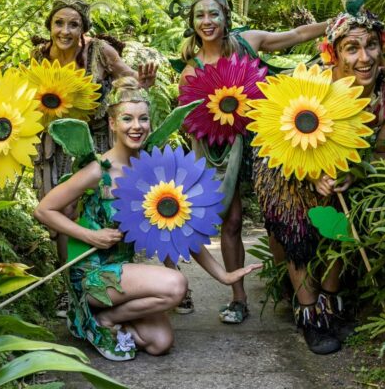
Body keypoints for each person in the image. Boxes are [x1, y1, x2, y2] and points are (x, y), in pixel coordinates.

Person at [34, 77, 260, 361]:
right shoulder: (98, 170)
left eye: (143, 119)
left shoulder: (154, 170)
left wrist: (223, 276)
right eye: (127, 119)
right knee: (175, 285)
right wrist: (91, 236)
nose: (136, 126)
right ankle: (97, 319)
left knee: (159, 342)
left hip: (123, 272)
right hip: (92, 275)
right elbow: (44, 210)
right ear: (113, 123)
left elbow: (179, 230)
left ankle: (109, 317)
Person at [254, 0, 385, 354]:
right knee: (291, 208)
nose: (364, 58)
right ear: (334, 53)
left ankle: (331, 297)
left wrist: (353, 174)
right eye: (352, 48)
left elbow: (384, 154)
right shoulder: (313, 84)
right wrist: (310, 177)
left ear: (382, 48)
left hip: (350, 170)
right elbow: (280, 138)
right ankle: (309, 310)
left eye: (371, 46)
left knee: (344, 208)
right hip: (289, 164)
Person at [178, 0, 327, 323]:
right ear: (192, 23)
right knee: (230, 223)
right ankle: (239, 298)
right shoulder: (191, 70)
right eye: (200, 16)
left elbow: (297, 35)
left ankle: (289, 285)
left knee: (277, 217)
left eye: (213, 14)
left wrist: (336, 22)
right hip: (220, 154)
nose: (207, 21)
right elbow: (190, 122)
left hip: (263, 143)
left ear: (225, 16)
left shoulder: (248, 42)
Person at [31, 0, 157, 266]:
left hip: (97, 140)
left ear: (83, 28)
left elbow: (125, 75)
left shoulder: (99, 51)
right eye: (59, 23)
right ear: (49, 26)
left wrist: (139, 81)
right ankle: (70, 278)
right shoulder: (39, 55)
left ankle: (110, 268)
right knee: (59, 208)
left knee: (102, 205)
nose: (65, 31)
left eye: (73, 24)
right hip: (56, 142)